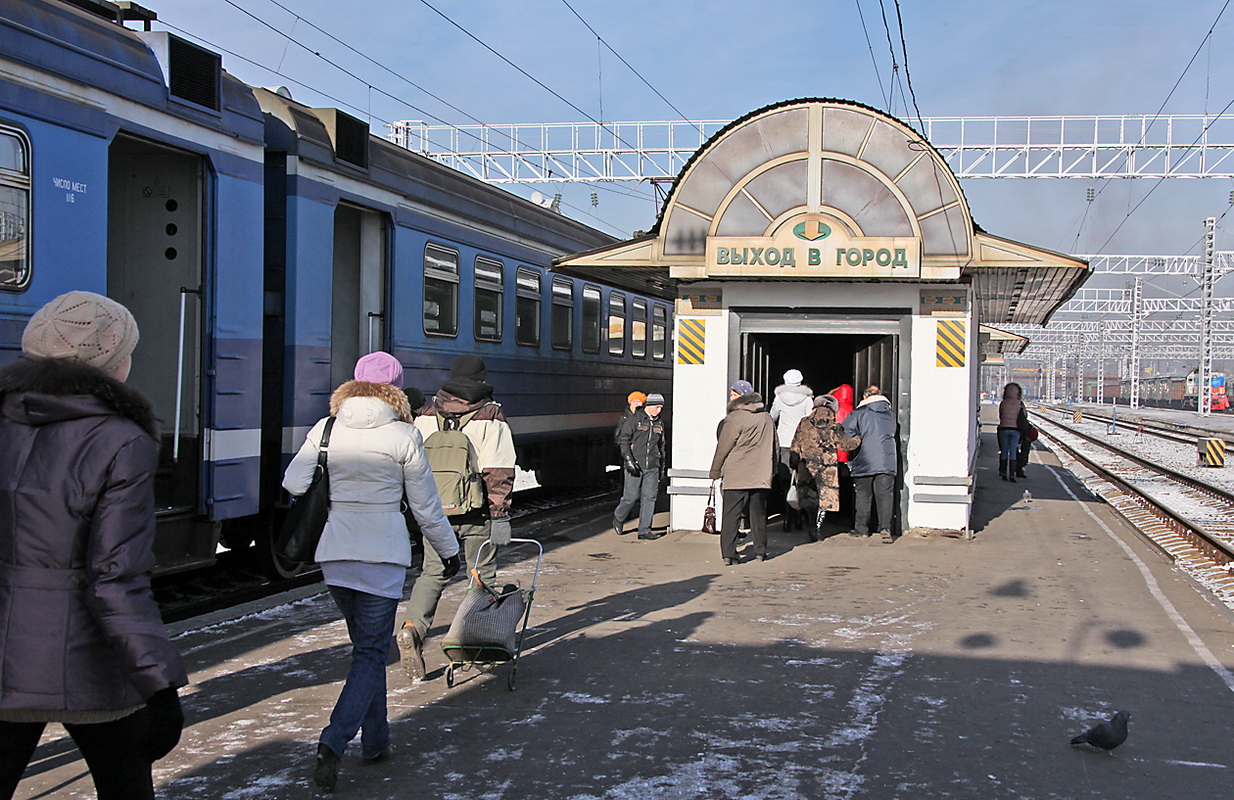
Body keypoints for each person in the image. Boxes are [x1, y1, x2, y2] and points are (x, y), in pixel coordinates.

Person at [0, 291, 187, 800]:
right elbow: (116, 578)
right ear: (111, 365)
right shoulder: (121, 440)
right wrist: (158, 683)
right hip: (87, 660)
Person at [283, 351, 461, 792]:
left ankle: (377, 742)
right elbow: (425, 507)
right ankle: (333, 741)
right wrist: (449, 551)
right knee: (369, 654)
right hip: (382, 557)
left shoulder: (326, 428)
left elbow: (293, 483)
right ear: (395, 391)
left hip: (336, 555)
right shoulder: (405, 434)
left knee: (369, 650)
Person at [399, 355, 516, 682]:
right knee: (481, 576)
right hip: (477, 513)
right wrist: (499, 515)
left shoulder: (426, 414)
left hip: (435, 513)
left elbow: (412, 467)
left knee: (432, 572)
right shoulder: (490, 416)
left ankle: (413, 628)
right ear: (482, 379)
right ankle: (472, 641)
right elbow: (499, 471)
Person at [709, 381, 777, 565]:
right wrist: (773, 470)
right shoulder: (767, 417)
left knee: (731, 515)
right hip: (760, 473)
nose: (731, 398)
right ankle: (760, 551)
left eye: (734, 395)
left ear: (742, 396)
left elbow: (723, 447)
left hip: (736, 472)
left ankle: (729, 554)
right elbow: (775, 446)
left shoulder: (734, 418)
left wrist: (715, 470)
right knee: (758, 514)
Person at [789, 394, 862, 541]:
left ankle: (811, 524)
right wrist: (858, 438)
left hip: (807, 466)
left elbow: (795, 445)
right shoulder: (834, 426)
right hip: (826, 469)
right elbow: (846, 445)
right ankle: (817, 527)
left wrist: (794, 463)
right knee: (824, 499)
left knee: (810, 497)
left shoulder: (804, 422)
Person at [841, 385, 899, 543]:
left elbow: (846, 433)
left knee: (863, 496)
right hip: (886, 461)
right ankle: (885, 529)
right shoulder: (890, 415)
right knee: (885, 496)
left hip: (864, 460)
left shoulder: (859, 413)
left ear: (865, 397)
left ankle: (861, 529)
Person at [613, 392, 667, 540]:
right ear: (649, 405)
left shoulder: (659, 423)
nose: (659, 410)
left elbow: (661, 446)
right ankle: (619, 517)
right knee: (630, 497)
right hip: (635, 464)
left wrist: (661, 468)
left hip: (652, 465)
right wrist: (629, 460)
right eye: (657, 407)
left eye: (661, 407)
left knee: (650, 497)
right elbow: (623, 440)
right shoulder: (635, 420)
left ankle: (644, 530)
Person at [769, 369, 814, 531]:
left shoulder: (779, 397)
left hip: (784, 443)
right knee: (801, 481)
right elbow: (810, 420)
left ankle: (788, 518)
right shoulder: (807, 399)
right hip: (801, 444)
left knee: (785, 482)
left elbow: (772, 417)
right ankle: (799, 517)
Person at [997, 382, 1026, 483]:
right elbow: (1024, 417)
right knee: (1013, 452)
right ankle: (1012, 474)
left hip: (1003, 429)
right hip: (1016, 430)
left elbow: (1000, 416)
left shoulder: (1003, 403)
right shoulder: (1020, 404)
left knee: (1004, 451)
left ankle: (1003, 472)